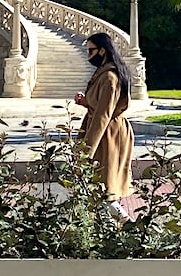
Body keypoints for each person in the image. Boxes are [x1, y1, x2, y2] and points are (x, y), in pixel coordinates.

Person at [74, 31, 134, 219]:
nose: (88, 55)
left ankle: (130, 229)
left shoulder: (109, 77)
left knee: (104, 191)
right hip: (106, 132)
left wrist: (86, 151)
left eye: (91, 50)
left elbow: (103, 115)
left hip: (108, 136)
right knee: (98, 190)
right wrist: (87, 102)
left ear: (102, 51)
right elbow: (102, 106)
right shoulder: (105, 74)